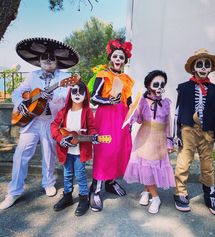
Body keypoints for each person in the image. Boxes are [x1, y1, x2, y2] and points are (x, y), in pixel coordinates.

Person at [0, 37, 80, 210]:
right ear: (39, 60)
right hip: (32, 120)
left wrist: (54, 97)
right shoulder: (32, 75)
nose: (48, 60)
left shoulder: (65, 77)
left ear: (57, 61)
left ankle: (48, 182)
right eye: (45, 57)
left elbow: (67, 98)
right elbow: (17, 92)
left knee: (49, 153)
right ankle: (13, 192)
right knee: (20, 155)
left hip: (51, 121)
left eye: (52, 57)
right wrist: (20, 103)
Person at [173, 48, 215, 216]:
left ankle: (209, 192)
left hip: (207, 131)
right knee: (183, 162)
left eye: (206, 65)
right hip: (188, 129)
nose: (203, 68)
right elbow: (177, 112)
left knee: (207, 164)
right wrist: (176, 134)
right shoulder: (183, 87)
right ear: (194, 67)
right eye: (200, 64)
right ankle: (180, 191)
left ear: (210, 68)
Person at [89, 38, 134, 211]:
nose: (118, 60)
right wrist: (108, 100)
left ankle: (111, 182)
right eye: (115, 56)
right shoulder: (103, 75)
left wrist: (129, 120)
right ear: (110, 58)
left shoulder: (126, 79)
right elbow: (94, 97)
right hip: (105, 117)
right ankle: (96, 189)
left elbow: (128, 102)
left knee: (118, 150)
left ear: (124, 61)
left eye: (121, 57)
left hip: (121, 118)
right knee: (104, 150)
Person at [124, 70, 176, 214]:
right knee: (146, 166)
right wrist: (132, 117)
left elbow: (168, 123)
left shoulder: (165, 103)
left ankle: (147, 192)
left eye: (162, 84)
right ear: (148, 86)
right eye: (156, 84)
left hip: (159, 140)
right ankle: (155, 196)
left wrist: (169, 142)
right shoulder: (142, 101)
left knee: (153, 168)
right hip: (145, 138)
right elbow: (138, 118)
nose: (159, 87)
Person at [51, 78, 98, 216]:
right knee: (67, 174)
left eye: (81, 92)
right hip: (66, 149)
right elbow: (54, 126)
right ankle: (67, 197)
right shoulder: (64, 111)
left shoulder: (87, 111)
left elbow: (92, 128)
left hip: (80, 150)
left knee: (81, 175)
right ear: (70, 93)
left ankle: (84, 199)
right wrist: (60, 139)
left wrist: (94, 136)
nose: (77, 94)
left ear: (85, 95)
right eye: (74, 91)